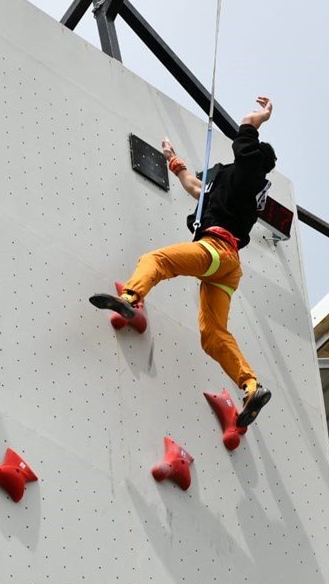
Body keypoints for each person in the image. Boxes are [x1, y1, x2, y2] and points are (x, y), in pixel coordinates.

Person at [90, 96, 277, 427]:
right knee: (212, 333)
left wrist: (255, 119)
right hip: (226, 267)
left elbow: (246, 140)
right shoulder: (230, 183)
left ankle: (129, 298)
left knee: (157, 260)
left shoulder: (250, 174)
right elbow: (195, 187)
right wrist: (173, 160)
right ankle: (250, 386)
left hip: (216, 250)